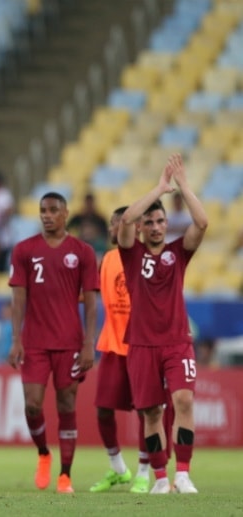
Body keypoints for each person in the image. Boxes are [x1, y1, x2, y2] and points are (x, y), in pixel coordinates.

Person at [117, 153, 208, 494]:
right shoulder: (131, 254)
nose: (155, 227)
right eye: (150, 222)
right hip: (141, 344)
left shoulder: (178, 253)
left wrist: (183, 186)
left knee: (183, 401)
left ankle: (182, 474)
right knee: (151, 413)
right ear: (143, 228)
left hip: (176, 341)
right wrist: (158, 189)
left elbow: (201, 224)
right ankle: (159, 478)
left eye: (160, 222)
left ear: (166, 225)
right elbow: (126, 219)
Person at [7, 191, 99, 494]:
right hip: (34, 342)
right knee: (32, 405)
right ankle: (44, 454)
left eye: (52, 210)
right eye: (42, 210)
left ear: (65, 213)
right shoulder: (24, 250)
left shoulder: (83, 252)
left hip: (69, 343)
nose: (46, 215)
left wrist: (89, 344)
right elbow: (18, 298)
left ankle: (65, 475)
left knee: (66, 403)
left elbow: (92, 302)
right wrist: (16, 339)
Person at [90, 206, 155, 494]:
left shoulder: (146, 258)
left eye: (116, 224)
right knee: (103, 410)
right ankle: (118, 468)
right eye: (110, 225)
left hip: (142, 346)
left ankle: (144, 472)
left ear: (133, 227)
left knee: (146, 412)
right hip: (112, 345)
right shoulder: (107, 259)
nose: (111, 230)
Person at [67, 192, 109, 259]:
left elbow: (106, 234)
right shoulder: (78, 217)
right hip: (82, 242)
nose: (89, 206)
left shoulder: (100, 219)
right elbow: (67, 229)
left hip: (96, 245)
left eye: (90, 203)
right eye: (87, 203)